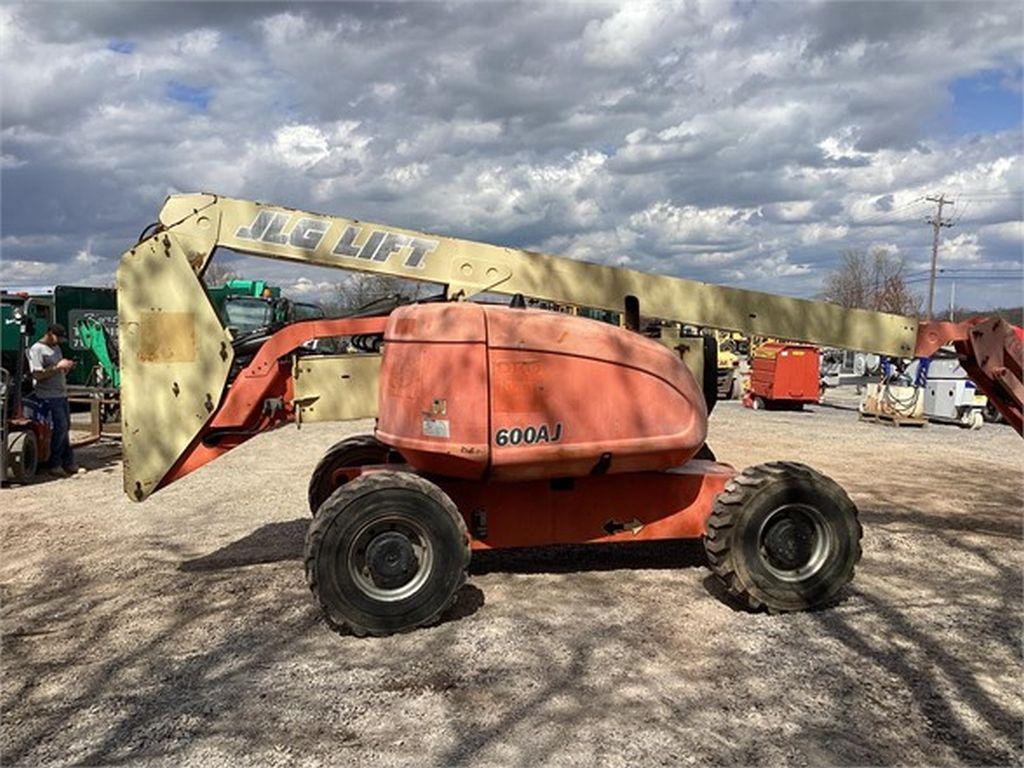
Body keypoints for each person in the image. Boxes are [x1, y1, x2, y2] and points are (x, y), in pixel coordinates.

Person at [28, 323, 77, 476]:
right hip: (48, 396)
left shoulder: (56, 348)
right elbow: (37, 374)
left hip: (61, 394)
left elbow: (58, 369)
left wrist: (66, 367)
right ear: (49, 333)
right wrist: (57, 367)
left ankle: (67, 461)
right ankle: (55, 463)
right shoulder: (37, 349)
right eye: (57, 337)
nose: (58, 341)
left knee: (65, 427)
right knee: (60, 427)